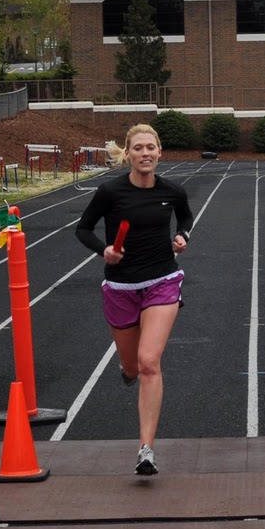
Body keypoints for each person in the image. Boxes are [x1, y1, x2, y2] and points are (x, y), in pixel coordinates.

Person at [75, 123, 195, 475]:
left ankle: (146, 450)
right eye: (138, 148)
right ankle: (126, 370)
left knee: (148, 362)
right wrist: (105, 251)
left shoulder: (172, 190)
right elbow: (83, 228)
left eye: (150, 147)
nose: (145, 153)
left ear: (160, 152)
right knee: (131, 366)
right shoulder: (110, 192)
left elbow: (185, 216)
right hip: (121, 287)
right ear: (127, 153)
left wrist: (183, 235)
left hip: (162, 282)